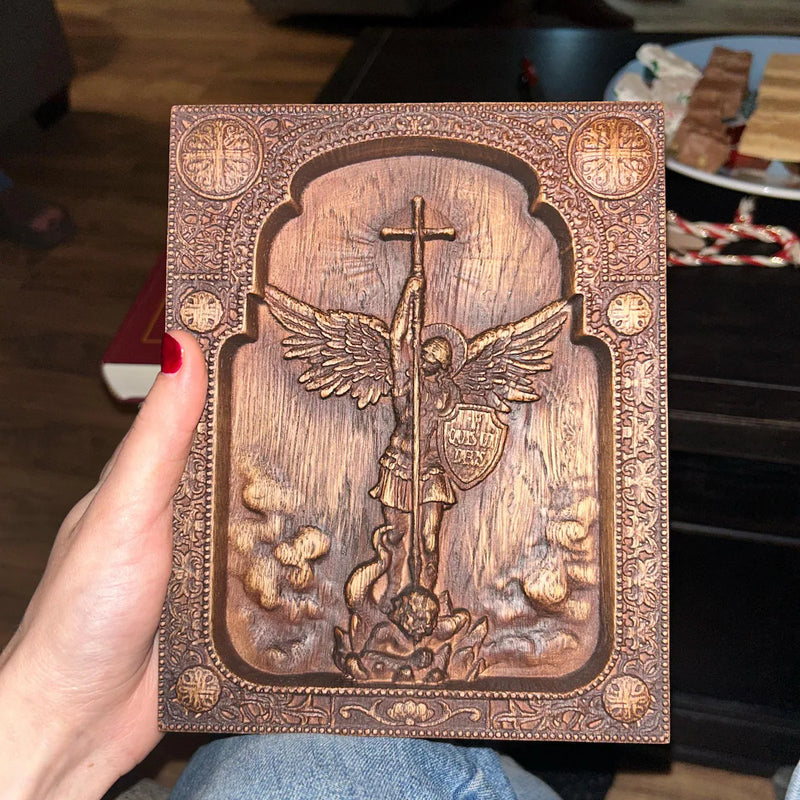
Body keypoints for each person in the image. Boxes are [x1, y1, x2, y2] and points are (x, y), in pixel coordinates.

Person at [0, 330, 563, 800]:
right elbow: (400, 345)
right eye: (428, 358)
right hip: (400, 464)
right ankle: (400, 607)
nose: (433, 366)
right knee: (397, 541)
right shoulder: (406, 382)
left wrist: (51, 718)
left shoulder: (445, 394)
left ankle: (422, 604)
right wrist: (413, 289)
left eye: (439, 360)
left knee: (430, 544)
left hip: (431, 469)